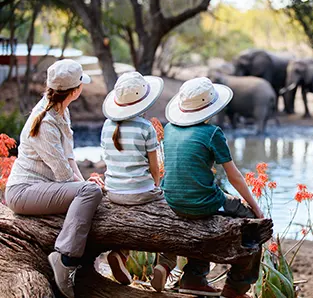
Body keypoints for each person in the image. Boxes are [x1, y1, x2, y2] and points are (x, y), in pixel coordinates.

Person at [4, 59, 104, 298]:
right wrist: (86, 188)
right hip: (23, 192)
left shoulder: (61, 110)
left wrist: (86, 181)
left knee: (91, 190)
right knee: (91, 193)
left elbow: (69, 159)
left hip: (42, 188)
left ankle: (79, 264)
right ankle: (65, 259)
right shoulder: (45, 122)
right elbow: (62, 175)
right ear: (76, 90)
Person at [162, 77, 265, 298]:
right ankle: (236, 287)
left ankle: (194, 277)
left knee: (202, 211)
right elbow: (234, 176)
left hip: (171, 200)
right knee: (252, 226)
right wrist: (255, 207)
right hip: (202, 203)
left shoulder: (169, 128)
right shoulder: (212, 133)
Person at [101, 72, 175, 292]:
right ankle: (164, 265)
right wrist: (156, 188)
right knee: (171, 221)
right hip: (142, 192)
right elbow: (154, 168)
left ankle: (120, 253)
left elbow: (108, 160)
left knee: (128, 220)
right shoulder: (145, 128)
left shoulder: (106, 126)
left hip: (113, 191)